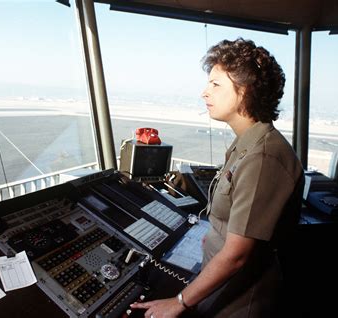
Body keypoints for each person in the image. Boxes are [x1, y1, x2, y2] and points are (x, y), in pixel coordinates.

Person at [130, 38, 304, 318]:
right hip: (219, 283)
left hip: (241, 301)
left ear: (245, 91)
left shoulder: (263, 158)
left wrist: (179, 302)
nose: (204, 92)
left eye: (215, 84)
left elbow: (236, 255)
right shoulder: (245, 144)